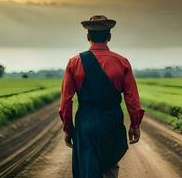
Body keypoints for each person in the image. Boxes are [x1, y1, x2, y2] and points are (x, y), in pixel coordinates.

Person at [59, 15, 145, 178]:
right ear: (109, 36)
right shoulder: (122, 62)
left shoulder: (74, 62)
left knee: (87, 169)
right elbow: (132, 99)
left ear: (88, 37)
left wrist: (68, 129)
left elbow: (66, 102)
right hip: (111, 121)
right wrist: (135, 124)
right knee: (110, 166)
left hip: (86, 123)